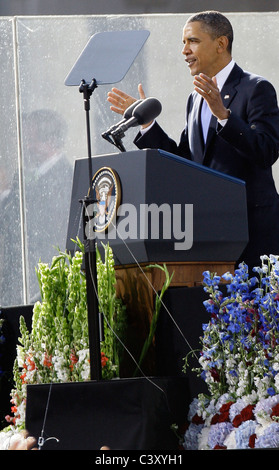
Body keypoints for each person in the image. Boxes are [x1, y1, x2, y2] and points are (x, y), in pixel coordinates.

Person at [107, 10, 279, 271]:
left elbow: (266, 151)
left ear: (221, 44)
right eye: (183, 43)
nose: (185, 50)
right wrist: (146, 122)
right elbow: (186, 162)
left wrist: (224, 116)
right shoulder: (195, 99)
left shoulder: (255, 88)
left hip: (252, 234)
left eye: (193, 41)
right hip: (208, 235)